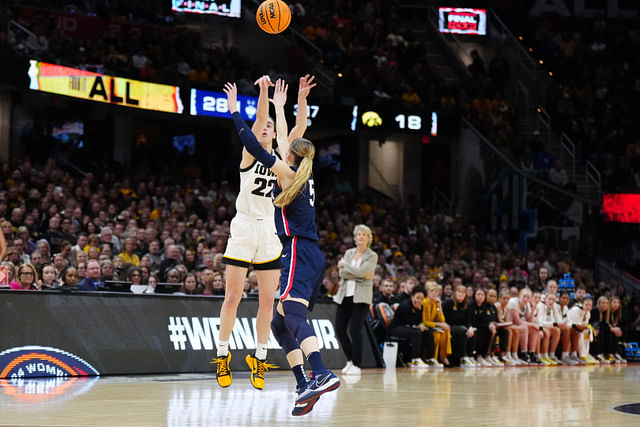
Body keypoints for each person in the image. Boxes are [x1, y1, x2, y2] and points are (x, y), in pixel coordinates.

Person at [223, 80, 339, 416]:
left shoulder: (287, 173)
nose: (282, 146)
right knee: (278, 322)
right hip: (308, 253)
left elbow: (255, 146)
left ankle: (320, 372)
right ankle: (304, 383)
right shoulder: (302, 169)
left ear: (289, 155)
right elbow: (296, 130)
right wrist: (288, 103)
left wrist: (234, 112)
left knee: (292, 314)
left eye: (286, 147)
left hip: (299, 250)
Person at [213, 75, 315, 392]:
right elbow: (257, 121)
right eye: (265, 127)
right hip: (244, 226)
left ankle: (259, 356)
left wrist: (296, 101)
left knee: (268, 302)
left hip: (270, 231)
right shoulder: (250, 155)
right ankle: (222, 353)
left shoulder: (283, 157)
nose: (268, 128)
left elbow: (299, 130)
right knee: (233, 296)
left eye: (271, 126)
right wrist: (264, 93)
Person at [333, 224, 378, 376]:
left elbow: (363, 271)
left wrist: (347, 266)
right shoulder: (349, 253)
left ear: (368, 238)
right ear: (354, 237)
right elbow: (342, 273)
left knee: (355, 329)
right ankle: (350, 360)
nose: (360, 236)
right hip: (345, 295)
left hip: (361, 297)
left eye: (364, 234)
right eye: (358, 234)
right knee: (339, 328)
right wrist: (359, 274)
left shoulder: (372, 255)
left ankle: (357, 364)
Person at [388, 285, 432, 368]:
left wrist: (422, 325)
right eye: (417, 298)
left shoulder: (421, 307)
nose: (419, 300)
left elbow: (420, 322)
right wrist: (418, 325)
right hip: (396, 328)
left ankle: (429, 358)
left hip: (409, 328)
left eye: (422, 299)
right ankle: (414, 359)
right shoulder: (405, 305)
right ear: (412, 297)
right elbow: (409, 322)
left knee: (427, 332)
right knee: (416, 332)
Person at [442, 285, 476, 367]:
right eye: (459, 292)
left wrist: (470, 328)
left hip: (461, 327)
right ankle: (463, 357)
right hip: (449, 326)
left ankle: (470, 356)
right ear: (455, 293)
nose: (461, 294)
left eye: (463, 293)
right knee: (462, 331)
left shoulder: (467, 305)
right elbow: (443, 318)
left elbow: (468, 321)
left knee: (472, 332)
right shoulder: (448, 303)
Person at [507, 287, 542, 364]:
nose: (526, 299)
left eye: (528, 297)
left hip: (516, 325)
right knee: (525, 327)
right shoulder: (513, 302)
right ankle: (523, 354)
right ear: (519, 295)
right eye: (524, 296)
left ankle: (532, 354)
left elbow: (530, 320)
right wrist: (532, 325)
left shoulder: (526, 305)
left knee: (534, 329)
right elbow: (517, 322)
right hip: (508, 323)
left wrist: (533, 308)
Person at [421, 281, 451, 366]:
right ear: (427, 292)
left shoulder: (435, 303)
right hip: (424, 326)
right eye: (432, 291)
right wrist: (439, 325)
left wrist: (440, 306)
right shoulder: (424, 302)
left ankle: (443, 356)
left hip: (432, 326)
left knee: (446, 331)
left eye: (436, 291)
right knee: (437, 334)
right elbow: (424, 321)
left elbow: (442, 319)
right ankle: (432, 358)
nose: (434, 293)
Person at [608, 296, 627, 363]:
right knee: (612, 332)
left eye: (618, 303)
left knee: (618, 331)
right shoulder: (607, 312)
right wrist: (613, 328)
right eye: (614, 302)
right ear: (610, 303)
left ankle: (615, 353)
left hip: (612, 330)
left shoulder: (617, 314)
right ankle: (609, 353)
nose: (616, 304)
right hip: (605, 330)